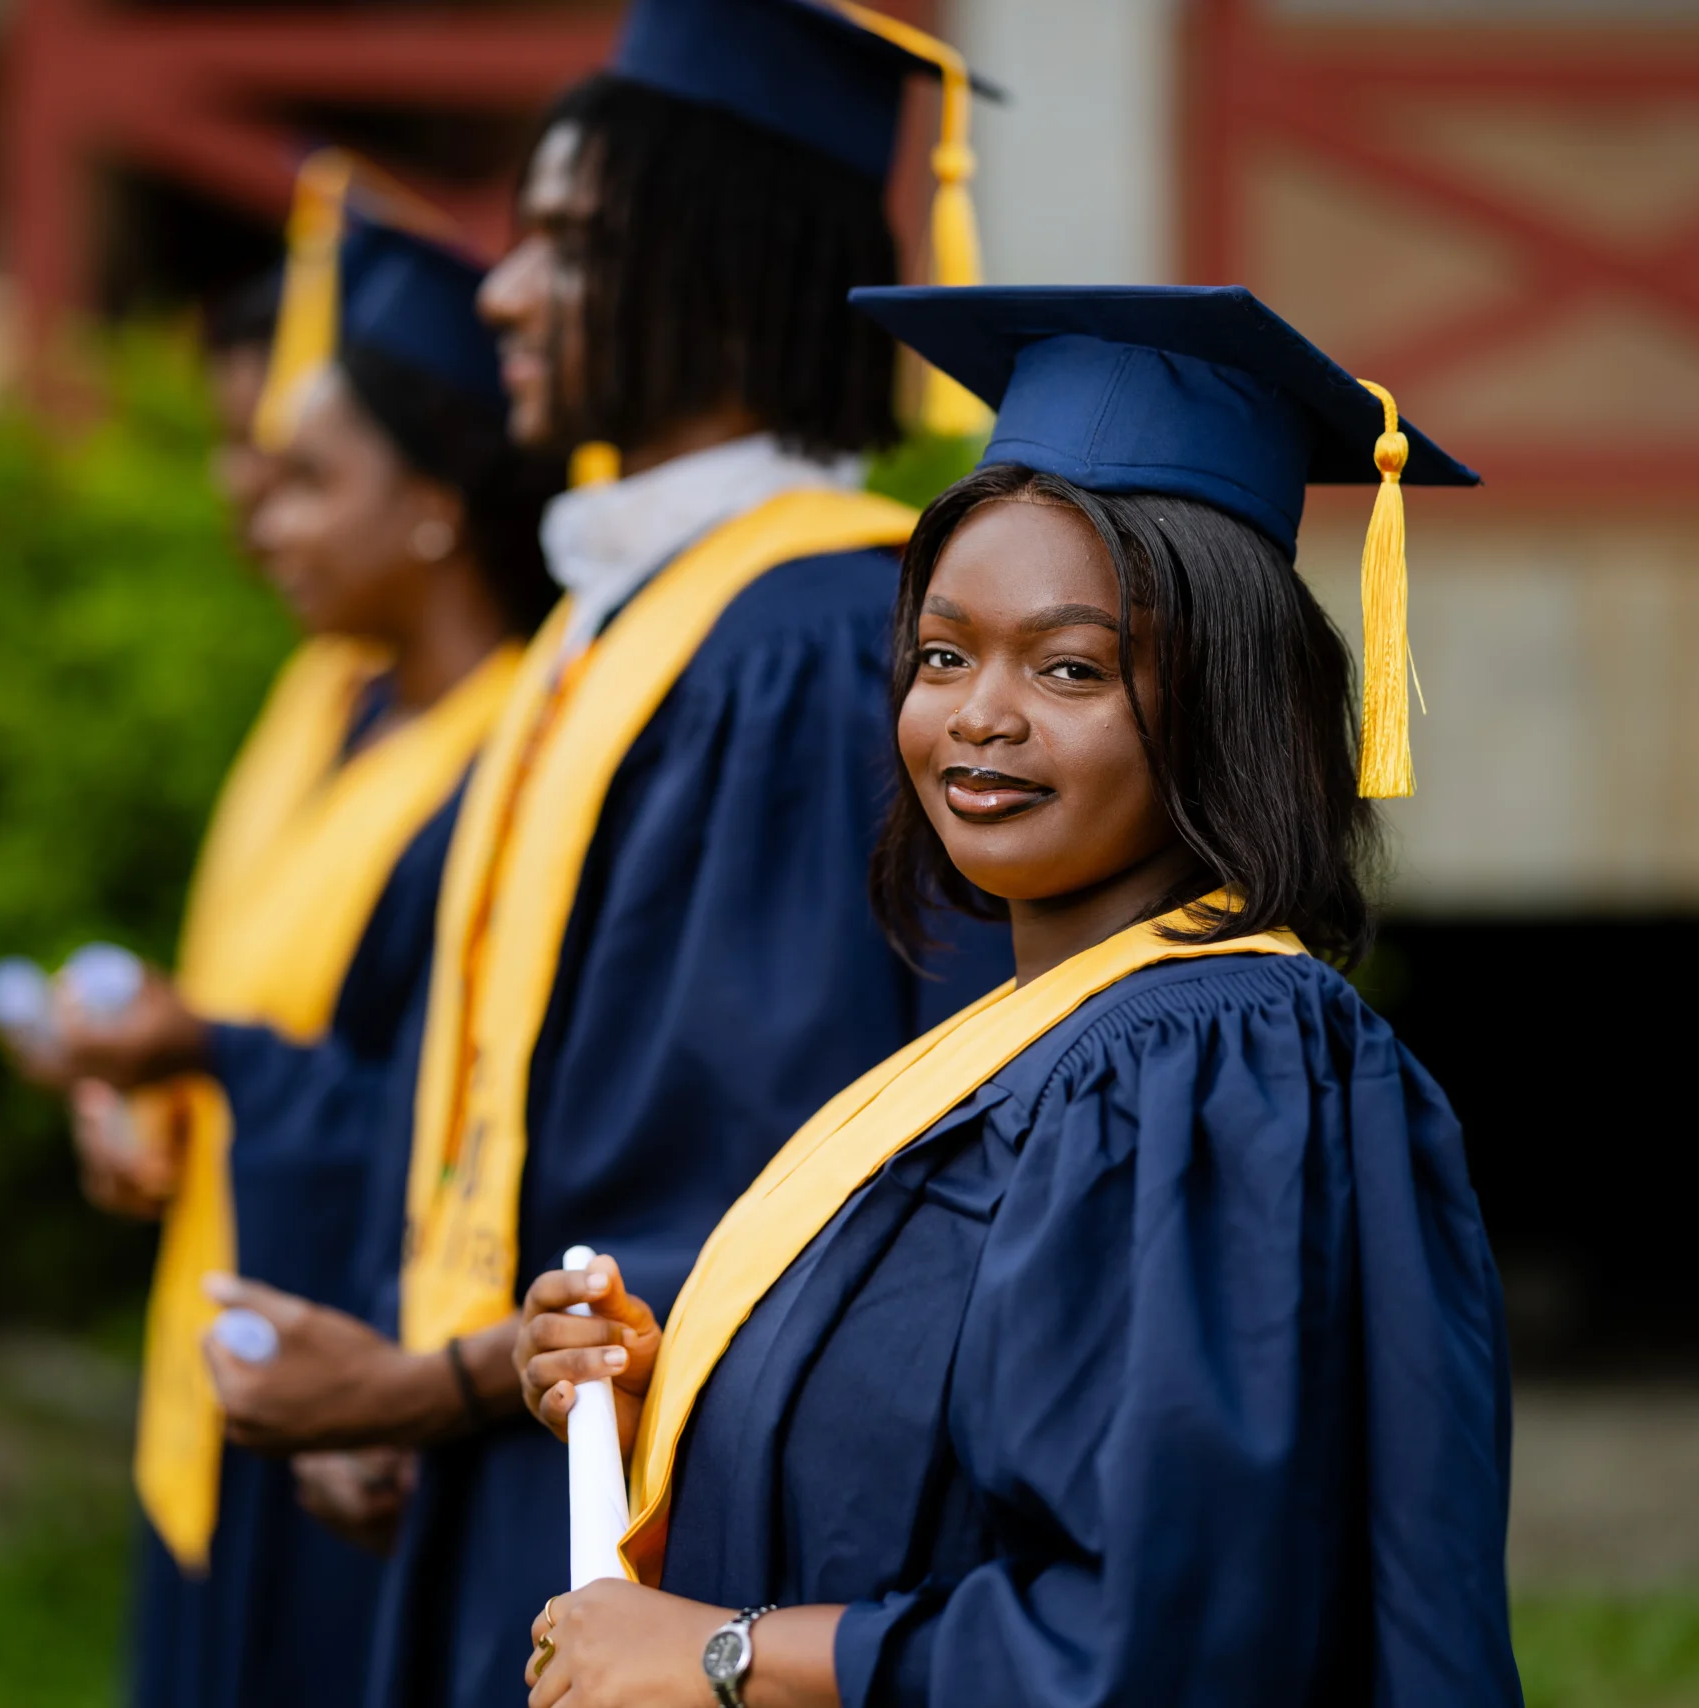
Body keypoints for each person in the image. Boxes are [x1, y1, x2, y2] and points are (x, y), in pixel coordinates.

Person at [57, 4, 1018, 1705]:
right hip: (521, 1460)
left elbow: (751, 1176)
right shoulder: (607, 633)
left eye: (565, 242)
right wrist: (407, 1358)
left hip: (669, 1524)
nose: (499, 290)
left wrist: (430, 1386)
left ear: (714, 273)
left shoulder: (801, 642)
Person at [510, 283, 1521, 1708]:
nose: (980, 714)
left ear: (1231, 702)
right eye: (941, 652)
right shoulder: (1029, 1041)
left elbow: (1161, 1633)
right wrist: (680, 1389)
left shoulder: (1214, 1063)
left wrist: (724, 1656)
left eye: (1070, 667)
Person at [3, 171, 561, 1708]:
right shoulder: (321, 697)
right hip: (220, 1342)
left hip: (362, 1379)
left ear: (438, 494)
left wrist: (202, 1049)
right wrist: (145, 1094)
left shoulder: (518, 760)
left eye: (302, 476)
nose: (253, 517)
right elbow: (252, 1000)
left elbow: (427, 1100)